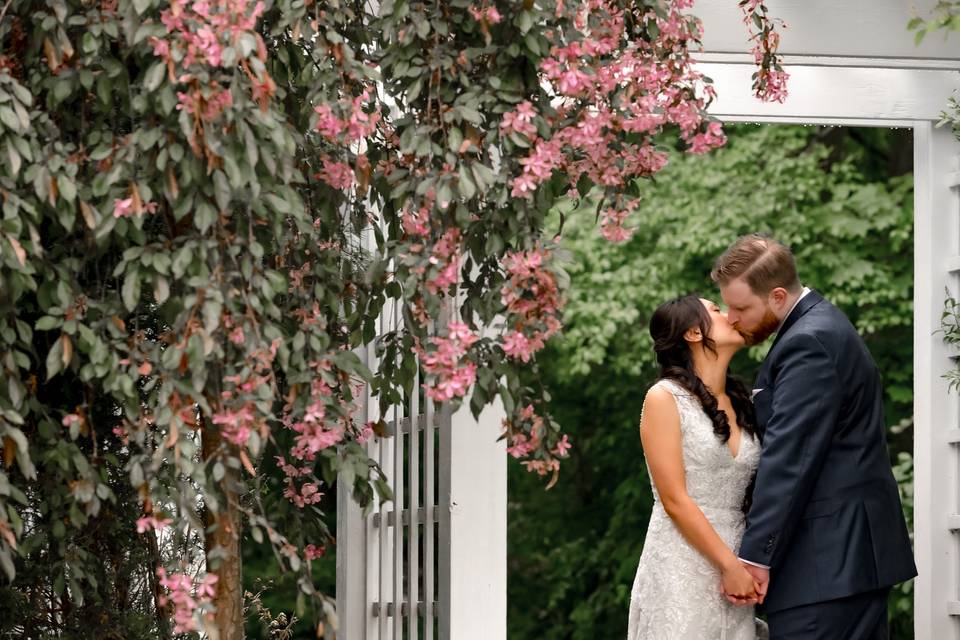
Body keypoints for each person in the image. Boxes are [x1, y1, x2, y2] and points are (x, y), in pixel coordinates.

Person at [712, 233, 917, 639]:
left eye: (740, 307)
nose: (730, 317)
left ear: (776, 296)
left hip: (826, 563)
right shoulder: (819, 328)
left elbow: (791, 458)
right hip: (846, 561)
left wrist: (755, 557)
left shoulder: (808, 343)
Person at [628, 294, 765, 639]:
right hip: (681, 562)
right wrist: (729, 566)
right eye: (717, 311)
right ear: (692, 332)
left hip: (737, 564)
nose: (731, 316)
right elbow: (674, 499)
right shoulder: (664, 398)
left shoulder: (742, 402)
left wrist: (746, 565)